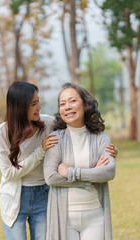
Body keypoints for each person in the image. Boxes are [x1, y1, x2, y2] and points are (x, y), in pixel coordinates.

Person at [0, 81, 118, 240]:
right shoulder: (0, 133)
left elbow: (74, 127)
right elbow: (10, 174)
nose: (39, 107)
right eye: (33, 104)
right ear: (20, 107)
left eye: (38, 101)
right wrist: (41, 151)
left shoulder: (48, 124)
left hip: (43, 195)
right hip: (14, 197)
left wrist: (107, 150)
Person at [43, 82, 116, 240]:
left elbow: (109, 172)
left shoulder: (101, 138)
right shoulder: (55, 139)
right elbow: (50, 177)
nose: (67, 107)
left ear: (86, 104)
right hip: (64, 219)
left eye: (72, 101)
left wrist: (70, 172)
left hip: (95, 216)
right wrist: (89, 177)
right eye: (62, 104)